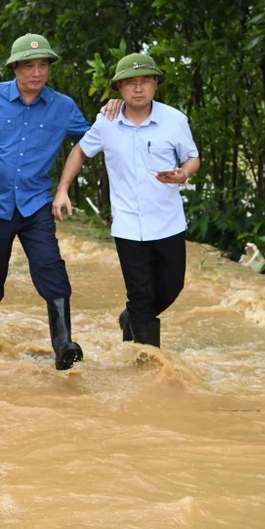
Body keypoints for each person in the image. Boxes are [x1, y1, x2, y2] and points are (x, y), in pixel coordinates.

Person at [0, 34, 90, 370]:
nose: (36, 72)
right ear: (15, 68)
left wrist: (64, 187)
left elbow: (91, 141)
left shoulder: (63, 106)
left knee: (51, 266)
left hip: (36, 204)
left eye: (43, 65)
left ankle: (64, 346)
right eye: (28, 66)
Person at [55, 53, 200, 348]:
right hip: (128, 226)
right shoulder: (106, 122)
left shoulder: (174, 120)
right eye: (131, 82)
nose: (138, 88)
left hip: (168, 222)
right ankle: (146, 362)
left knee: (171, 288)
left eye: (145, 81)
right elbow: (80, 151)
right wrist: (62, 189)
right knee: (141, 296)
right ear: (119, 88)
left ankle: (131, 319)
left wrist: (183, 174)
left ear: (155, 84)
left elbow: (192, 158)